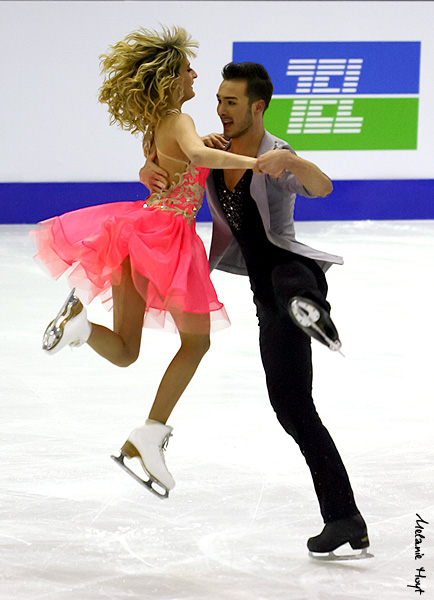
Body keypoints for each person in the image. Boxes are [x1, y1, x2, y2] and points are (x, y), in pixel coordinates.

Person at [140, 62, 369, 554]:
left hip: (292, 268)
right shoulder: (215, 151)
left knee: (289, 283)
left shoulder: (275, 153)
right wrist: (149, 168)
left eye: (231, 103)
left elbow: (320, 186)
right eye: (219, 100)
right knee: (292, 406)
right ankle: (346, 518)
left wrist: (295, 163)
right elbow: (171, 163)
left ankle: (310, 313)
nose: (220, 110)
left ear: (257, 107)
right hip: (264, 293)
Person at [29, 28, 267, 499]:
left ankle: (79, 326)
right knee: (196, 344)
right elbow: (195, 155)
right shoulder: (179, 117)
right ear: (170, 78)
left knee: (124, 350)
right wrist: (259, 163)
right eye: (187, 69)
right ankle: (149, 436)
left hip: (135, 235)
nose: (194, 73)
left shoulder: (160, 122)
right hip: (165, 239)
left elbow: (180, 156)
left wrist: (186, 152)